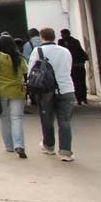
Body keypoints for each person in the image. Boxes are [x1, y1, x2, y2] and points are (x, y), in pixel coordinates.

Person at [31, 27, 77, 161]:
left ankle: (49, 146)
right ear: (54, 37)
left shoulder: (37, 51)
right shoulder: (65, 51)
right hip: (66, 88)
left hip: (46, 90)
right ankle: (65, 152)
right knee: (65, 121)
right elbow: (68, 68)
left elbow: (32, 71)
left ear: (41, 37)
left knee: (47, 119)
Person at [0, 34, 29, 157]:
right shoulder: (19, 57)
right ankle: (19, 145)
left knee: (5, 120)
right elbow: (26, 70)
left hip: (0, 91)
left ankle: (9, 146)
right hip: (17, 92)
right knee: (17, 119)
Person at [60, 29, 90, 105]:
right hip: (78, 65)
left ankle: (80, 98)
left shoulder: (64, 42)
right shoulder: (74, 41)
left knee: (76, 82)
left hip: (73, 66)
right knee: (81, 82)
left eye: (62, 34)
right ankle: (82, 98)